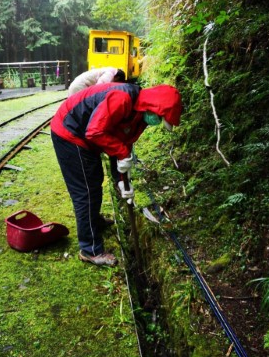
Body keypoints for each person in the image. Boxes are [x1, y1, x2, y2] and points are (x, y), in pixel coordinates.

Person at [51, 82, 182, 266]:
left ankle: (93, 222)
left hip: (84, 136)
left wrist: (122, 180)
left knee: (94, 180)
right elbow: (95, 132)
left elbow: (123, 144)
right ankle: (91, 250)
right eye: (160, 118)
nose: (157, 122)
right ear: (153, 107)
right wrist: (121, 153)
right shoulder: (122, 99)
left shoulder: (139, 115)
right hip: (70, 132)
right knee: (86, 191)